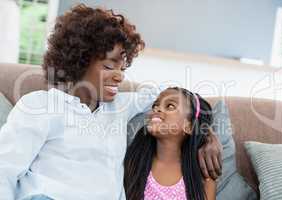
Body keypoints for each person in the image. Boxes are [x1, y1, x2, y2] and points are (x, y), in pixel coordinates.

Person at [0, 4, 222, 200]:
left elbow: (174, 99)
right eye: (109, 66)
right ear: (77, 61)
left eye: (122, 68)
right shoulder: (40, 105)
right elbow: (5, 169)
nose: (119, 76)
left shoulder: (119, 106)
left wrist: (206, 134)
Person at [124, 87, 216, 200]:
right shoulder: (135, 162)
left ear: (189, 126)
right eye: (155, 106)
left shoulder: (203, 176)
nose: (157, 109)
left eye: (170, 106)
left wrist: (209, 135)